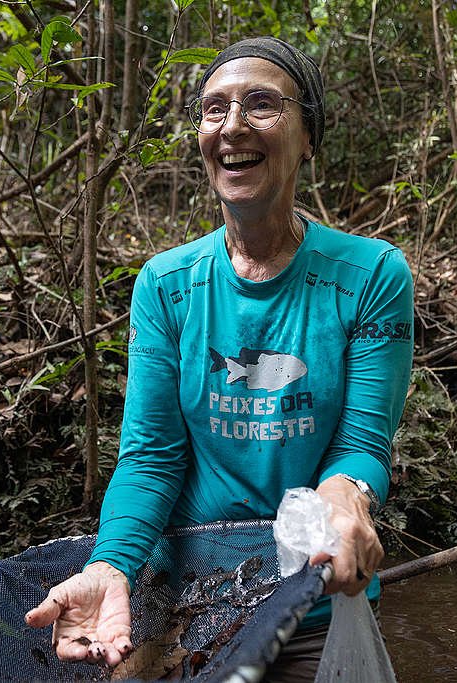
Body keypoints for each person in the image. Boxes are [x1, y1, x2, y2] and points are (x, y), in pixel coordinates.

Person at [26, 36, 413, 680]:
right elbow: (152, 455)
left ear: (308, 136)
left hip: (312, 596)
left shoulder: (371, 274)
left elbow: (362, 442)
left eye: (261, 104)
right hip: (187, 596)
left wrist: (346, 496)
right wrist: (110, 565)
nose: (232, 127)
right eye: (213, 109)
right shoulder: (166, 283)